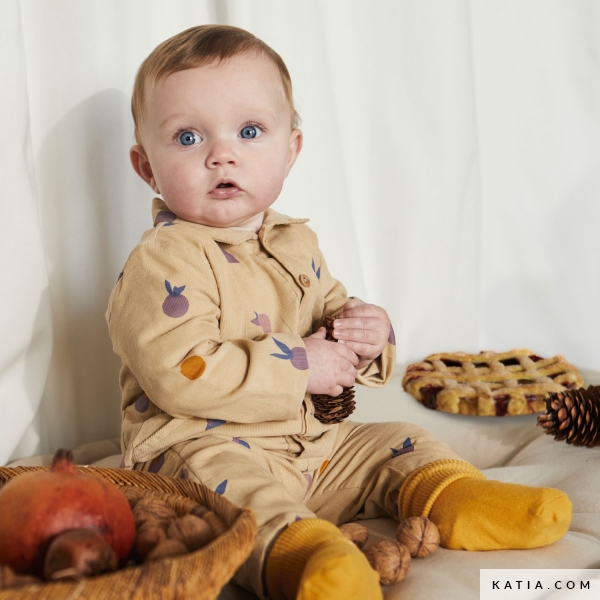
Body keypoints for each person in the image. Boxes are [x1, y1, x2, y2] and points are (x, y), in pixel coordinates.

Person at [106, 24, 572, 600]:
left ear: (291, 149)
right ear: (145, 166)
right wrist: (300, 366)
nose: (221, 154)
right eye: (186, 138)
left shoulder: (296, 243)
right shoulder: (161, 262)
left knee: (397, 439)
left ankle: (460, 499)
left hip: (315, 448)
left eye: (249, 131)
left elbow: (334, 319)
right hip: (200, 446)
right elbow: (181, 371)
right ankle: (308, 557)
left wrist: (368, 334)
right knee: (236, 494)